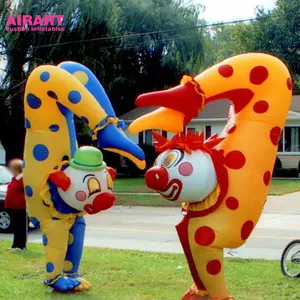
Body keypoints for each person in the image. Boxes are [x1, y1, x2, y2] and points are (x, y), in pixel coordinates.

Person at [5, 159, 28, 250]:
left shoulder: (23, 179)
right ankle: (15, 244)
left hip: (20, 207)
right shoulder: (14, 179)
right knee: (15, 227)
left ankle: (21, 245)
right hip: (12, 207)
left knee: (21, 227)